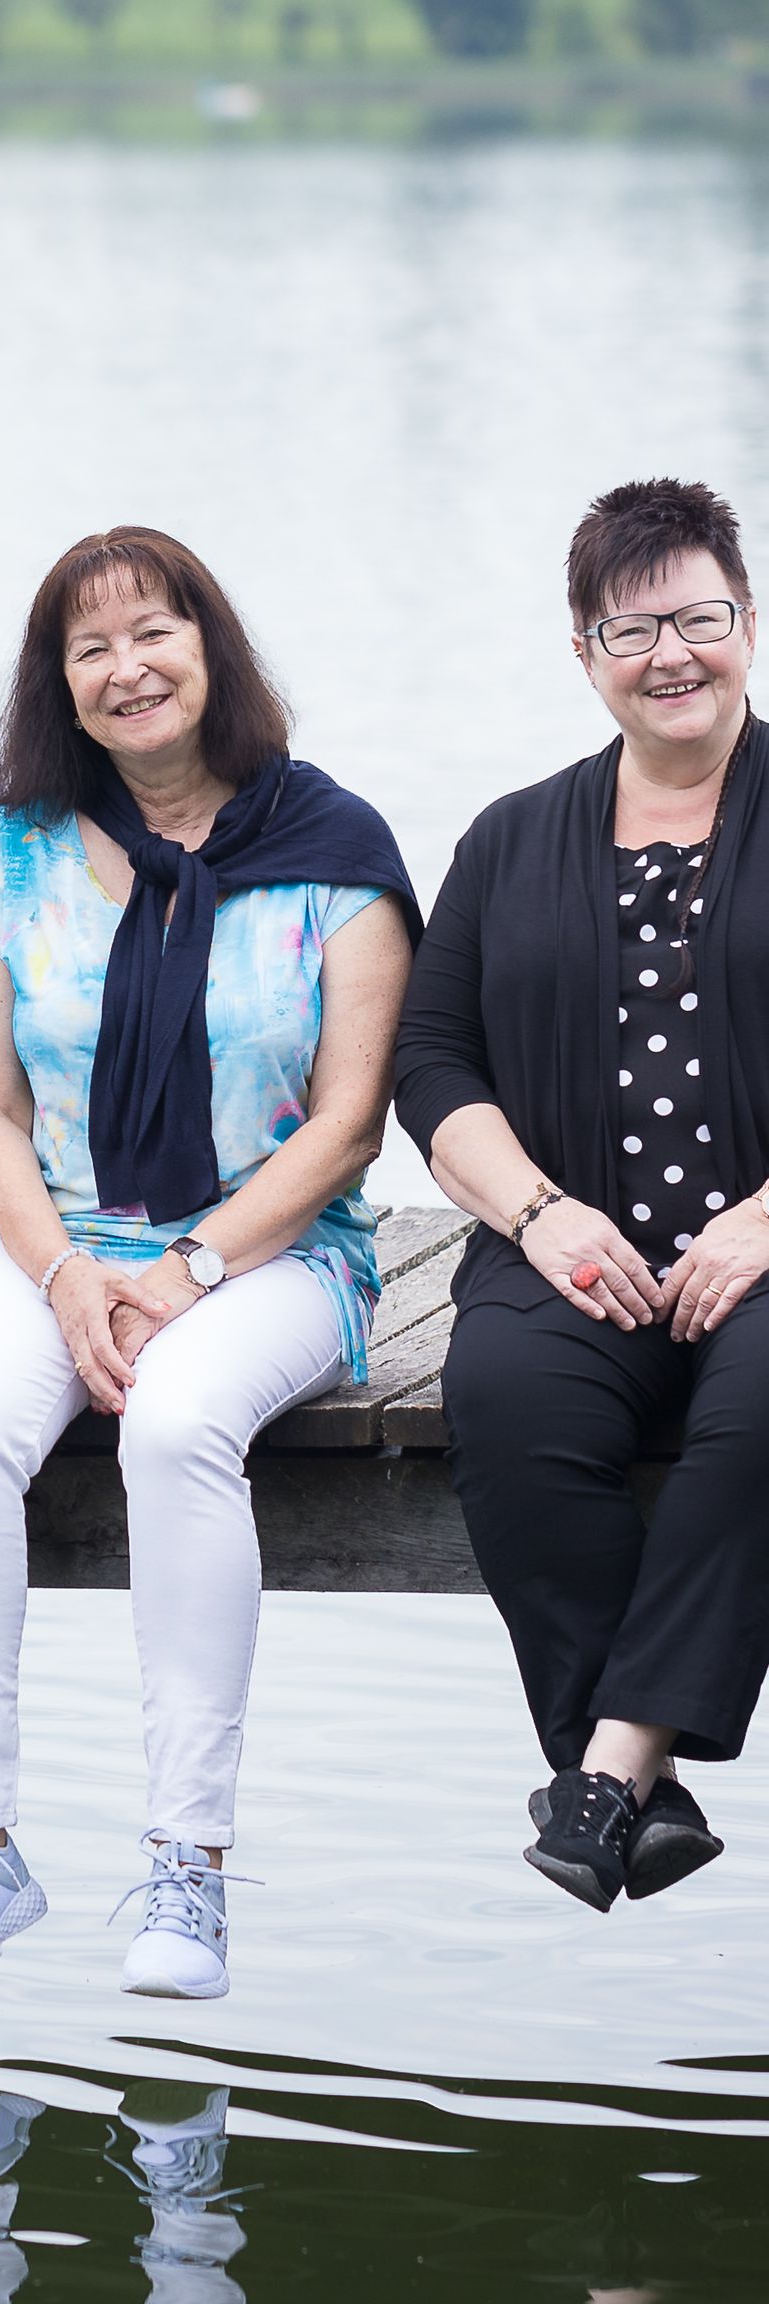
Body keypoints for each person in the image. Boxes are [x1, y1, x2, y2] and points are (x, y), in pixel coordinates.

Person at [0, 527, 417, 2000]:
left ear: (210, 648)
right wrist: (66, 1273)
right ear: (58, 684)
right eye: (91, 648)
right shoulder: (16, 849)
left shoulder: (334, 850)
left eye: (154, 633)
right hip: (51, 1236)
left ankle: (188, 1867)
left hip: (272, 1250)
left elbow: (349, 1125)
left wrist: (190, 1266)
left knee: (179, 1424)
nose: (127, 669)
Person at [396, 477, 769, 1914]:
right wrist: (541, 1213)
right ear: (584, 652)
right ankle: (644, 1797)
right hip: (571, 1250)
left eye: (699, 619)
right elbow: (432, 1060)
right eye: (633, 629)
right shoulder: (510, 840)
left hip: (768, 1255)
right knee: (507, 1401)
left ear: (748, 620)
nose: (672, 655)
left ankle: (605, 1772)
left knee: (759, 1420)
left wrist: (762, 1219)